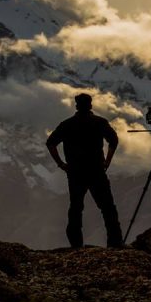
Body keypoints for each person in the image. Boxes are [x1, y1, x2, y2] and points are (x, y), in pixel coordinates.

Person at [46, 93, 124, 248]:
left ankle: (76, 245)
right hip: (96, 170)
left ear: (76, 106)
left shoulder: (67, 124)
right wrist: (107, 160)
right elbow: (113, 140)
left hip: (75, 172)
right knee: (107, 207)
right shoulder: (99, 122)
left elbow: (50, 143)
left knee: (76, 208)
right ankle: (115, 242)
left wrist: (61, 164)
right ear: (91, 105)